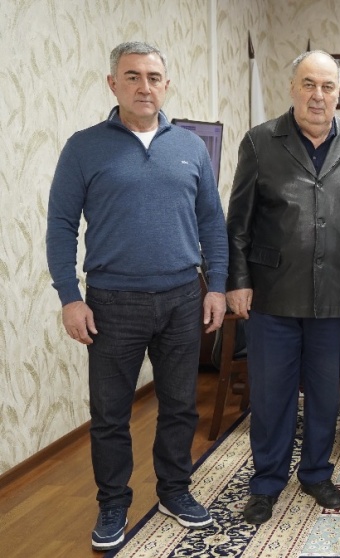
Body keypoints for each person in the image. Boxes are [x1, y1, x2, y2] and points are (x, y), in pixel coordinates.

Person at [45, 41, 228, 552]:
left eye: (153, 77)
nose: (144, 86)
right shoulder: (83, 147)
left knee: (180, 406)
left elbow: (212, 223)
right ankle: (113, 504)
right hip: (111, 303)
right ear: (113, 84)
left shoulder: (190, 146)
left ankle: (174, 491)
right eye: (132, 77)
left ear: (166, 85)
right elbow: (61, 226)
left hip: (182, 297)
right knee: (110, 414)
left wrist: (215, 286)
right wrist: (69, 297)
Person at [226, 50, 340, 525]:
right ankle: (266, 482)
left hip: (336, 291)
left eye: (328, 86)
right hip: (271, 293)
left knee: (323, 392)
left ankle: (316, 473)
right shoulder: (260, 142)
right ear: (292, 88)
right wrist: (238, 281)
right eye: (309, 84)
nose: (318, 95)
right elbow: (238, 223)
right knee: (271, 395)